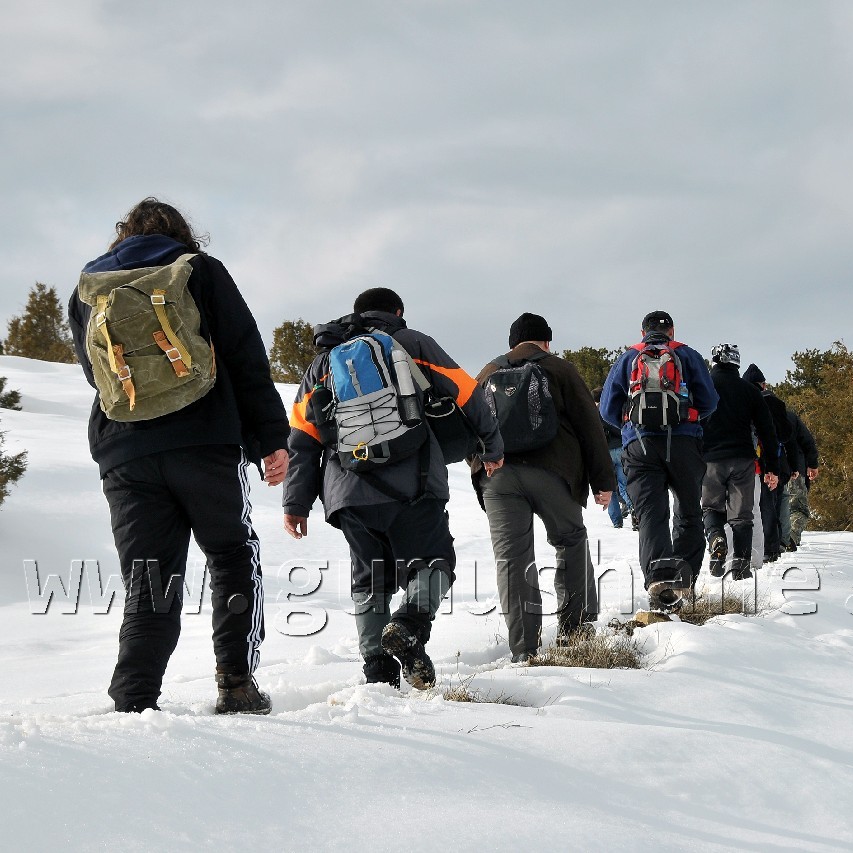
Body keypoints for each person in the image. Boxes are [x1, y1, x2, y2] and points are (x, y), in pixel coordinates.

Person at [68, 197, 289, 714]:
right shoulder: (200, 271)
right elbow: (244, 354)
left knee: (149, 579)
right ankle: (236, 685)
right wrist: (271, 438)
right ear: (182, 235)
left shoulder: (88, 288)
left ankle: (134, 700)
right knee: (232, 557)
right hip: (204, 441)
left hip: (125, 451)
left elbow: (96, 373)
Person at [283, 288, 503, 689]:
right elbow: (468, 393)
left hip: (347, 492)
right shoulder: (413, 344)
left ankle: (378, 676)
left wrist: (295, 502)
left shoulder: (323, 363)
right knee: (433, 561)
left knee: (370, 577)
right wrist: (491, 446)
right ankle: (409, 625)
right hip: (414, 483)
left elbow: (302, 438)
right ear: (397, 311)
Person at [473, 313, 615, 661]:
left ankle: (524, 649)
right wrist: (603, 481)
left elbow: (467, 425)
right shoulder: (560, 369)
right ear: (546, 342)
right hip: (554, 472)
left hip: (499, 476)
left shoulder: (488, 372)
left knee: (512, 559)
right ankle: (576, 633)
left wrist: (482, 467)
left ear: (512, 343)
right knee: (570, 541)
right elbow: (590, 425)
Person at [599, 311, 718, 611]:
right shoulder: (687, 355)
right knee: (689, 511)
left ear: (643, 333)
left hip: (640, 446)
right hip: (684, 443)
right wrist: (688, 420)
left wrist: (629, 427)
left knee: (652, 514)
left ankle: (660, 579)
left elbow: (606, 409)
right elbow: (710, 401)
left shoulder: (629, 358)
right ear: (672, 331)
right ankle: (683, 581)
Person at [700, 345, 779, 580]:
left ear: (714, 361)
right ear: (736, 363)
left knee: (711, 507)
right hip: (743, 459)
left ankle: (716, 539)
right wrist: (772, 467)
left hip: (710, 459)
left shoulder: (703, 386)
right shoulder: (750, 390)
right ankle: (741, 567)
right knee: (743, 515)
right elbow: (767, 431)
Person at [742, 363, 792, 562]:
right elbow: (786, 434)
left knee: (750, 505)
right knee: (770, 503)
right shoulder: (775, 402)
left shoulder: (743, 399)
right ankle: (771, 547)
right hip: (773, 458)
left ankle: (752, 549)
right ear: (762, 384)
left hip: (748, 458)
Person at [594, 387, 634, 529]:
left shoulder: (596, 412)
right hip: (621, 447)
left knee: (608, 487)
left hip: (605, 452)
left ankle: (617, 521)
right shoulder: (613, 406)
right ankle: (633, 508)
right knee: (624, 484)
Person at [784, 410, 820, 550]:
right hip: (796, 469)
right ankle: (791, 537)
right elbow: (807, 440)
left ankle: (776, 539)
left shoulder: (754, 412)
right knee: (798, 509)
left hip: (767, 471)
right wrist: (812, 464)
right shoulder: (789, 416)